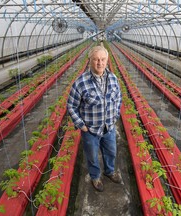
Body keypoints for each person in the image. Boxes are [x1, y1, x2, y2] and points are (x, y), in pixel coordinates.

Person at [67, 45, 122, 192]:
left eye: (103, 59)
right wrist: (82, 126)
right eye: (96, 59)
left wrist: (115, 115)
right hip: (90, 129)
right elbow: (71, 106)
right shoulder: (81, 82)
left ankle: (109, 171)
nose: (100, 63)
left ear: (107, 60)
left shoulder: (113, 78)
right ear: (89, 60)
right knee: (92, 156)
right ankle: (95, 176)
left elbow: (118, 98)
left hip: (109, 127)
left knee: (111, 152)